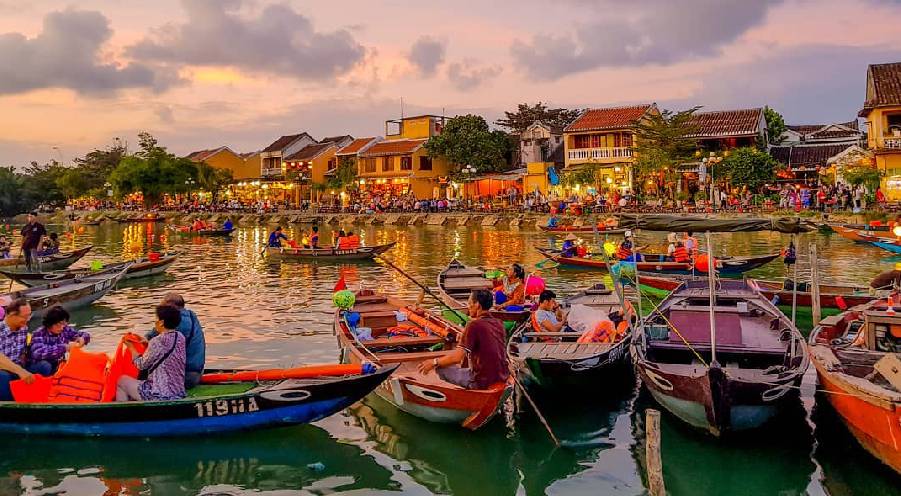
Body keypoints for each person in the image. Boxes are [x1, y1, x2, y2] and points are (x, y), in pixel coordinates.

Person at [417, 289, 509, 389]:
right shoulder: (499, 323)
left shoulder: (473, 325)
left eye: (469, 303)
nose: (468, 307)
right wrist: (465, 336)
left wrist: (433, 362)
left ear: (477, 305)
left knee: (441, 368)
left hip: (481, 380)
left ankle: (471, 389)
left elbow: (457, 358)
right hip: (502, 377)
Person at [118, 304, 186, 401]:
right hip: (178, 391)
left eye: (156, 319)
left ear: (161, 322)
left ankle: (122, 413)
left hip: (160, 394)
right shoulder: (180, 337)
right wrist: (148, 344)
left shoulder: (157, 341)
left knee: (121, 380)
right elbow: (163, 351)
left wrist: (131, 348)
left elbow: (141, 364)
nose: (155, 322)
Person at [144, 293, 205, 389]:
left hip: (185, 376)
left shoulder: (178, 323)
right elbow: (153, 334)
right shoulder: (189, 316)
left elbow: (155, 344)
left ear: (170, 306)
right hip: (194, 372)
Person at [0, 299, 49, 401]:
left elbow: (24, 353)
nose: (28, 320)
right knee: (3, 377)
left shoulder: (23, 329)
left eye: (29, 316)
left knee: (44, 366)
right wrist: (20, 371)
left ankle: (38, 397)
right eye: (25, 317)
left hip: (19, 368)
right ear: (12, 315)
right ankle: (11, 406)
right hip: (5, 371)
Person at [30, 306, 90, 375]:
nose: (61, 328)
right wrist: (65, 347)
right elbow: (37, 353)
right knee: (46, 366)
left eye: (63, 324)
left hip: (57, 363)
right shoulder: (39, 333)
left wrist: (82, 338)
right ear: (50, 323)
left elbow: (83, 334)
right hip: (39, 365)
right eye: (58, 325)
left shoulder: (64, 329)